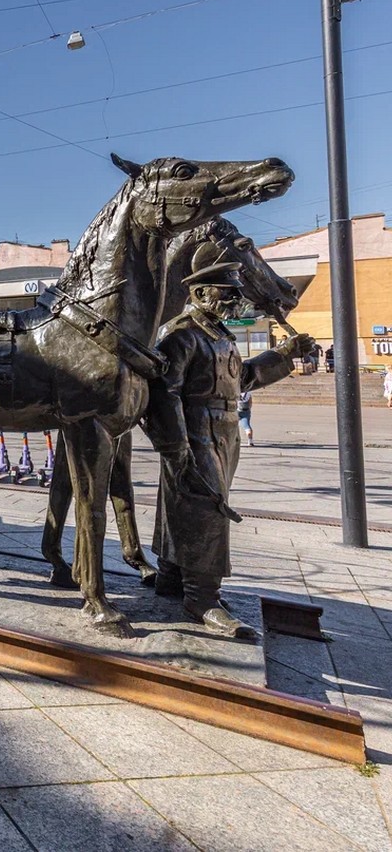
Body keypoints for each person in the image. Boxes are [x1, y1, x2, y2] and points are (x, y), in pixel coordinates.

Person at [146, 256, 313, 638]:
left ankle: (171, 575)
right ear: (201, 293)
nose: (235, 302)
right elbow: (163, 393)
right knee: (207, 507)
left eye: (236, 295)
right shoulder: (183, 335)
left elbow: (245, 379)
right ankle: (202, 597)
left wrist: (285, 356)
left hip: (224, 430)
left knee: (192, 501)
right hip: (196, 429)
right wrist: (175, 446)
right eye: (227, 294)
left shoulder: (219, 336)